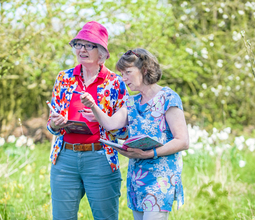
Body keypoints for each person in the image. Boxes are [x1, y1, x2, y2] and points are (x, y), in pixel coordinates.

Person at [80, 48, 189, 220]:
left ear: (144, 70)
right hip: (137, 178)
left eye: (128, 72)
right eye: (121, 74)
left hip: (160, 179)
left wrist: (150, 153)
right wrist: (93, 105)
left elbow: (182, 141)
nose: (123, 78)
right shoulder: (131, 102)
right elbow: (109, 124)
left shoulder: (168, 97)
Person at [46, 21, 128, 220]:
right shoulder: (64, 78)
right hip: (64, 160)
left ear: (101, 52)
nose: (82, 49)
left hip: (100, 158)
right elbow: (51, 124)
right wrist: (55, 124)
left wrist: (102, 119)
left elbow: (124, 132)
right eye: (78, 44)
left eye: (88, 45)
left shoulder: (115, 83)